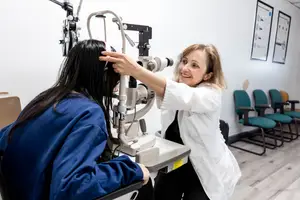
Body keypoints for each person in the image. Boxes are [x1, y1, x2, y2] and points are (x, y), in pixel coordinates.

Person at [0, 39, 149, 200]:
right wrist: (130, 169)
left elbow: (4, 138)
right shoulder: (90, 113)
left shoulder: (47, 99)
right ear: (103, 76)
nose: (117, 84)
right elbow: (74, 186)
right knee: (146, 187)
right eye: (116, 77)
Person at [100, 44, 242, 200]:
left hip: (205, 170)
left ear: (207, 75)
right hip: (177, 160)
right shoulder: (176, 86)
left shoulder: (211, 95)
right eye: (184, 61)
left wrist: (135, 70)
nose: (185, 68)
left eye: (194, 65)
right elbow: (168, 92)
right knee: (161, 195)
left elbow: (184, 96)